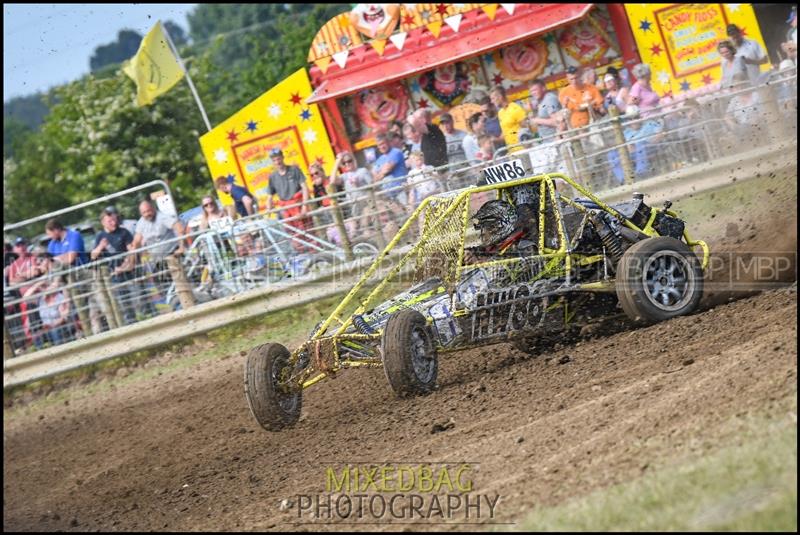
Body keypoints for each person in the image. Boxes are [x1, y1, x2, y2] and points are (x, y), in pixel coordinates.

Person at [91, 206, 138, 325]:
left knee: (138, 300)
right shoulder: (100, 236)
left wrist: (125, 266)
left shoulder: (123, 232)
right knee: (123, 305)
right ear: (103, 223)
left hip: (128, 271)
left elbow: (131, 250)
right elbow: (93, 256)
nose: (114, 223)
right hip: (113, 276)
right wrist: (101, 246)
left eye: (114, 220)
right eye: (110, 221)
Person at [265, 148, 313, 233]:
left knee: (308, 231)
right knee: (293, 235)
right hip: (286, 210)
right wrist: (268, 213)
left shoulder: (294, 170)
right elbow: (269, 197)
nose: (277, 162)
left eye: (278, 158)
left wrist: (304, 207)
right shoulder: (272, 177)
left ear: (283, 157)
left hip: (298, 205)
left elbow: (305, 188)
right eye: (274, 160)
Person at [24, 275, 77, 347]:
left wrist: (52, 325)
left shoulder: (59, 297)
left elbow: (63, 317)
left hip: (59, 326)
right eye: (43, 287)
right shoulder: (40, 299)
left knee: (54, 332)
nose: (43, 289)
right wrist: (37, 284)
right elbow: (25, 298)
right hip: (46, 328)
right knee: (37, 336)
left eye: (45, 287)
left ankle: (60, 351)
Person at [372, 133, 409, 205]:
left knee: (408, 212)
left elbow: (387, 169)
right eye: (379, 145)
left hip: (401, 190)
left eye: (383, 144)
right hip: (388, 195)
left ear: (388, 142)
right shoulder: (379, 159)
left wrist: (381, 172)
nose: (382, 146)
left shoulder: (396, 152)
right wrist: (382, 172)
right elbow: (375, 179)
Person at [490, 85, 527, 150]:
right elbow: (505, 132)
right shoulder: (500, 112)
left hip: (522, 149)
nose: (492, 101)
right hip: (511, 151)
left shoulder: (515, 108)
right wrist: (494, 139)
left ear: (500, 97)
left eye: (493, 98)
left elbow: (526, 128)